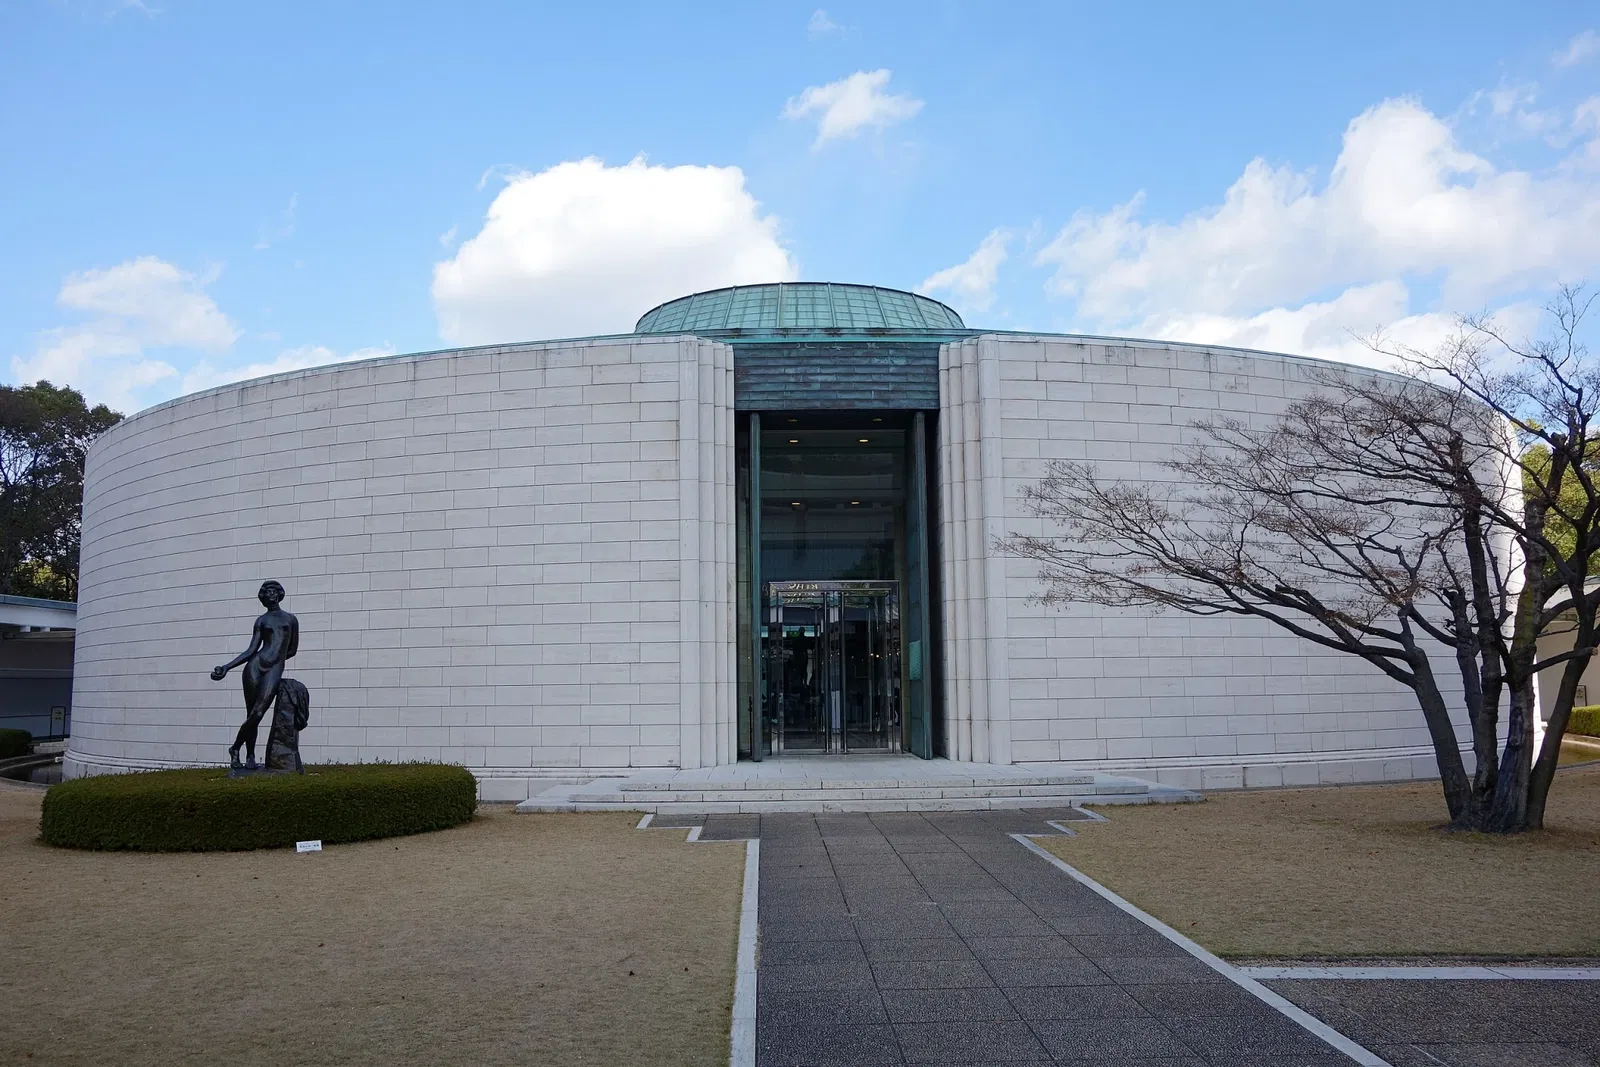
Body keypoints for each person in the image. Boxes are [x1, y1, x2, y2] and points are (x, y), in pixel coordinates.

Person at [210, 580, 299, 769]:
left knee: (257, 713)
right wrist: (227, 667)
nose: (271, 594)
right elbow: (251, 650)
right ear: (263, 597)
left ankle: (235, 748)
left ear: (280, 594)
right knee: (252, 713)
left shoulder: (290, 619)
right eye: (267, 592)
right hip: (255, 667)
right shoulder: (262, 621)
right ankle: (249, 755)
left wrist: (277, 659)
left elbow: (292, 650)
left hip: (274, 668)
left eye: (274, 591)